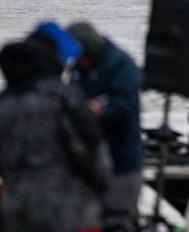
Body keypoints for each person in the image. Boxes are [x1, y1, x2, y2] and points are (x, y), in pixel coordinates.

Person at [0, 21, 109, 232]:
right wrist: (102, 187)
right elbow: (93, 154)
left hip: (18, 213)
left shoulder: (4, 103)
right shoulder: (65, 97)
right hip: (71, 211)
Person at [68, 21, 143, 232]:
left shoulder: (121, 64)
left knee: (118, 221)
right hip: (90, 161)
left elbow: (127, 107)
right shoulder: (79, 67)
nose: (76, 60)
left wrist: (99, 110)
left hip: (122, 160)